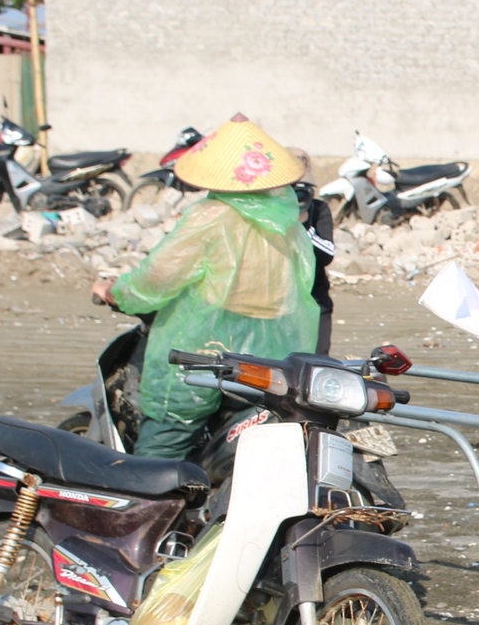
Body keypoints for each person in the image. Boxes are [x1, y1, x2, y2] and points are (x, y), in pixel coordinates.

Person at [90, 114, 320, 460]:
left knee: (165, 438)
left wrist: (115, 291)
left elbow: (157, 278)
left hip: (207, 346)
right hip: (272, 354)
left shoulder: (210, 216)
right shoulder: (289, 222)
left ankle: (143, 505)